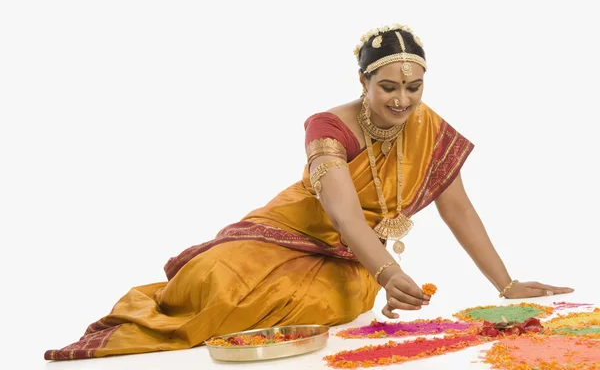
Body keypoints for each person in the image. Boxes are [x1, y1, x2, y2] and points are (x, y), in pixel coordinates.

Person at [45, 23, 573, 361]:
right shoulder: (327, 126)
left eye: (413, 88)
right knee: (210, 281)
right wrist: (388, 272)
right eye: (388, 87)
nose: (402, 100)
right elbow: (342, 212)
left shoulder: (428, 127)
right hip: (287, 232)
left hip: (349, 259)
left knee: (338, 301)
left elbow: (457, 206)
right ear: (363, 84)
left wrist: (505, 283)